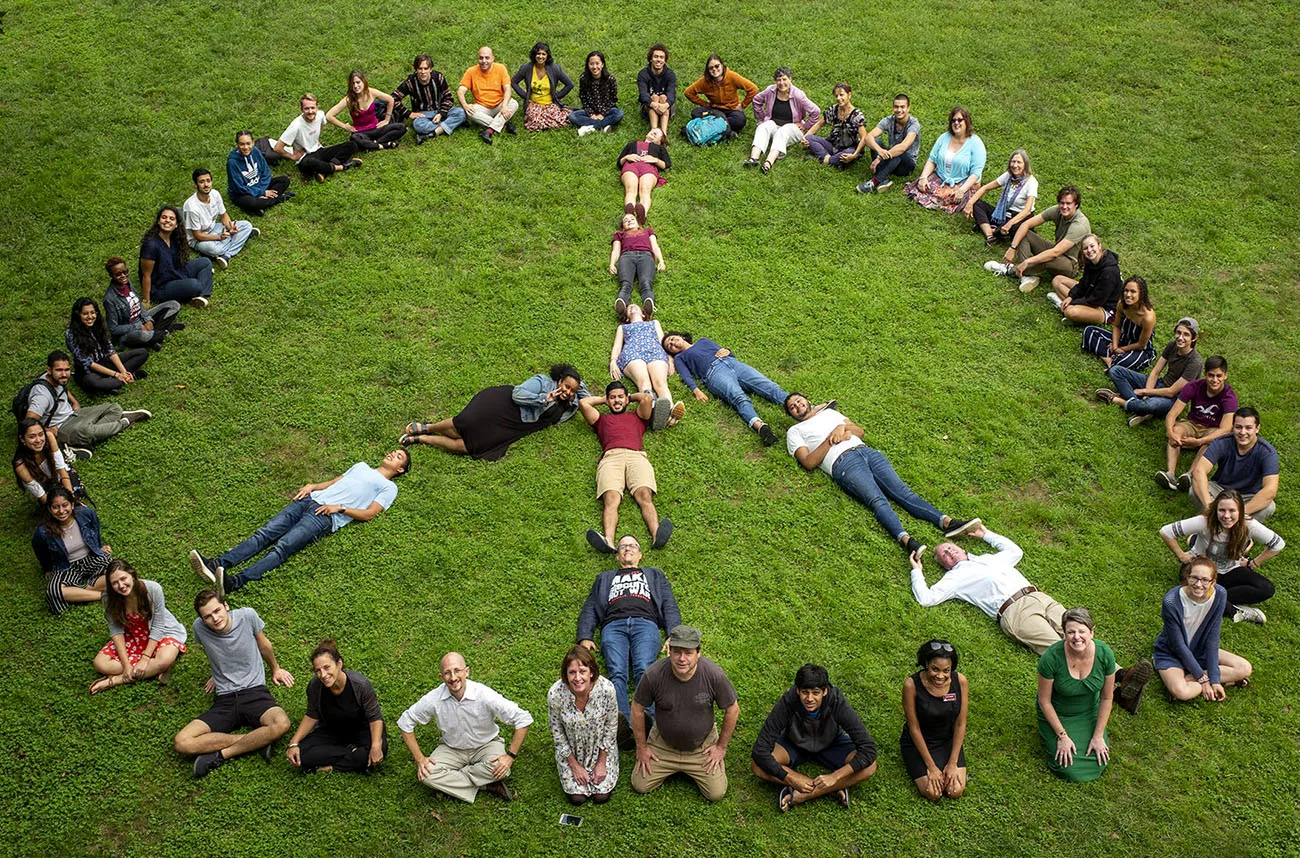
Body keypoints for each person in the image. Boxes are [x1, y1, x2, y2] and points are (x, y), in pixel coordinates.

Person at [907, 523, 1155, 714]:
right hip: (1013, 612)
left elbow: (1015, 550)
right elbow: (927, 598)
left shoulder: (990, 558)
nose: (948, 551)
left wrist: (986, 534)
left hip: (1039, 597)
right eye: (943, 555)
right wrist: (917, 572)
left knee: (1081, 634)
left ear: (962, 547)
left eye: (949, 547)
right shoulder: (954, 579)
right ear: (944, 565)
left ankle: (1122, 684)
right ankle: (1118, 682)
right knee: (1063, 648)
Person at [188, 450, 410, 593]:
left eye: (399, 456)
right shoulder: (361, 466)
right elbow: (336, 481)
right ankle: (217, 564)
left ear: (400, 470)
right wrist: (313, 486)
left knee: (281, 548)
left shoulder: (390, 488)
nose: (393, 454)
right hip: (309, 500)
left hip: (325, 516)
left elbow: (370, 513)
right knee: (264, 534)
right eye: (394, 452)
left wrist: (340, 508)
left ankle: (233, 582)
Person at [785, 394, 980, 556]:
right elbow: (808, 463)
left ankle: (947, 522)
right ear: (792, 415)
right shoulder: (795, 431)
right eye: (792, 407)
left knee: (904, 493)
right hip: (843, 462)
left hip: (867, 452)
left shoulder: (830, 413)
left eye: (798, 400)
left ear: (807, 400)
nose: (797, 405)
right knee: (877, 501)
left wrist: (841, 427)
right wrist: (830, 439)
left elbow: (859, 431)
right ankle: (907, 541)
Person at [173, 590, 294, 778]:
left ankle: (221, 754)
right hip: (225, 700)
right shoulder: (199, 628)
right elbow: (214, 651)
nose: (215, 618)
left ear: (226, 606)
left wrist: (275, 669)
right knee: (182, 741)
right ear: (202, 619)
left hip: (255, 693)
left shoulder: (247, 616)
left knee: (281, 723)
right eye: (208, 616)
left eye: (217, 611)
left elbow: (264, 646)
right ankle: (258, 740)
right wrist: (217, 672)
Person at [576, 535, 682, 740]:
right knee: (617, 673)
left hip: (645, 624)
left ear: (640, 555)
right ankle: (622, 725)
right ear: (617, 556)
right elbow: (590, 607)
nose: (627, 549)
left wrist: (673, 635)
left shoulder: (653, 575)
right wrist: (584, 637)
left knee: (645, 669)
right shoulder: (605, 578)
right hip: (613, 626)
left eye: (633, 546)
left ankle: (648, 723)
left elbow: (669, 604)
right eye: (623, 546)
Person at [398, 652, 532, 803]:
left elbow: (523, 718)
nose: (453, 677)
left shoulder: (484, 694)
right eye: (447, 673)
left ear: (466, 672)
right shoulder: (433, 699)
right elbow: (405, 722)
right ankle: (486, 785)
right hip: (452, 748)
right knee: (427, 774)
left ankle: (454, 780)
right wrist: (420, 760)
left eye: (457, 671)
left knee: (502, 768)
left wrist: (510, 756)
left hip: (486, 745)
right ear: (441, 677)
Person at [631, 625, 739, 801]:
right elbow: (637, 708)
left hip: (701, 748)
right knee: (640, 785)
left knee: (716, 793)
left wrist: (720, 747)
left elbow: (732, 709)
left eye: (688, 653)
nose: (682, 658)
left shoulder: (713, 675)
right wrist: (642, 748)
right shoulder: (654, 674)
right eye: (677, 652)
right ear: (669, 651)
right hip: (663, 746)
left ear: (699, 653)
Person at [751, 663, 877, 812]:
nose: (810, 698)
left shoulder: (836, 701)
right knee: (757, 765)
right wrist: (791, 778)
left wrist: (835, 777)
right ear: (797, 691)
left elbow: (868, 748)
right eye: (805, 692)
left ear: (825, 691)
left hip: (832, 744)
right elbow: (760, 750)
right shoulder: (788, 701)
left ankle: (802, 795)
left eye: (815, 692)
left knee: (870, 766)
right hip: (793, 744)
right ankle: (833, 789)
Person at [400, 364, 589, 461]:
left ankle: (422, 439)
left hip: (514, 427)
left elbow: (586, 399)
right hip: (503, 405)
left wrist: (579, 391)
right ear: (559, 380)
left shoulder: (568, 406)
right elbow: (517, 394)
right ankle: (428, 427)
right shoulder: (542, 382)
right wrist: (543, 398)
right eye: (566, 386)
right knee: (463, 423)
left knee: (469, 446)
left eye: (572, 390)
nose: (568, 392)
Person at [1160, 489, 1283, 625]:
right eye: (1222, 510)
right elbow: (1166, 532)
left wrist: (1253, 564)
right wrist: (1182, 556)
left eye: (1232, 511)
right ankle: (1236, 611)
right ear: (1215, 510)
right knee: (1196, 594)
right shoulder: (1204, 521)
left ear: (1240, 511)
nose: (1226, 516)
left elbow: (1278, 544)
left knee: (1266, 588)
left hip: (1230, 569)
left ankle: (1216, 599)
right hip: (1201, 570)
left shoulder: (1249, 525)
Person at [579, 382, 673, 553]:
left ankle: (656, 534)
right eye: (612, 398)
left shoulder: (638, 416)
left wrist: (631, 397)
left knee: (644, 495)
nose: (616, 401)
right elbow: (584, 403)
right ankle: (608, 541)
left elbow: (646, 398)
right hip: (611, 458)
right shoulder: (601, 420)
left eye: (620, 397)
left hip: (636, 456)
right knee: (611, 498)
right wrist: (603, 399)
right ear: (608, 401)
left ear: (627, 399)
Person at [1153, 558, 1253, 702]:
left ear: (1213, 582)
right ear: (1187, 577)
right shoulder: (1171, 601)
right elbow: (1178, 646)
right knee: (1181, 692)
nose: (1199, 584)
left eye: (1205, 580)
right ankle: (1215, 680)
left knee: (1244, 668)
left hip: (1200, 649)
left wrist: (1215, 680)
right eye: (1194, 578)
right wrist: (1203, 680)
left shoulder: (1220, 595)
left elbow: (1213, 639)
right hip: (1171, 653)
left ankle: (1195, 680)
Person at [662, 332, 786, 445]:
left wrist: (727, 351)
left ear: (681, 336)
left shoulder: (703, 340)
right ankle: (760, 427)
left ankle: (795, 403)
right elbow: (685, 375)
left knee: (768, 385)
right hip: (714, 373)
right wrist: (696, 390)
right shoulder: (680, 358)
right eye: (670, 346)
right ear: (673, 353)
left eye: (672, 339)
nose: (673, 343)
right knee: (738, 397)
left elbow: (725, 351)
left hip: (733, 363)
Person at [1036, 608, 1117, 782]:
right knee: (1067, 767)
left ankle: (1093, 737)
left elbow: (1107, 698)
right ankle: (1057, 735)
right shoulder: (1050, 658)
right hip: (1058, 713)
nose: (1076, 637)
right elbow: (1044, 701)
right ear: (1064, 634)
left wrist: (1098, 735)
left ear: (1092, 633)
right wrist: (1062, 736)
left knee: (1099, 759)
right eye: (1071, 632)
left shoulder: (1105, 654)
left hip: (1089, 711)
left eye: (1082, 631)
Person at [285, 639, 387, 774]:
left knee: (380, 748)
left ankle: (333, 766)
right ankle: (354, 758)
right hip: (333, 729)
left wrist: (375, 745)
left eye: (327, 667)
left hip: (363, 729)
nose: (323, 675)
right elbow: (312, 714)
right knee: (300, 754)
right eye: (318, 670)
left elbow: (375, 717)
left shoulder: (360, 685)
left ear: (339, 664)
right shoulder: (315, 686)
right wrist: (293, 743)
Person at [23, 350, 149, 454]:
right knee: (86, 432)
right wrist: (48, 432)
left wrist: (75, 402)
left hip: (74, 415)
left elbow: (62, 389)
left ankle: (85, 440)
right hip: (61, 428)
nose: (64, 374)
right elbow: (29, 422)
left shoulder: (55, 379)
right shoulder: (41, 396)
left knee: (114, 407)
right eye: (59, 370)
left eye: (67, 370)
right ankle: (124, 422)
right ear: (49, 370)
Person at [89, 559, 186, 693]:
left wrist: (145, 659)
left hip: (162, 633)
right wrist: (126, 665)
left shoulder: (153, 589)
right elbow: (115, 630)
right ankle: (155, 669)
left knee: (164, 659)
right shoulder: (108, 597)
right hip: (132, 634)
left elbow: (158, 626)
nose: (121, 585)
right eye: (115, 583)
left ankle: (118, 679)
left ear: (132, 575)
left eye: (123, 579)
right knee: (100, 663)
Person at [1096, 317, 1203, 428]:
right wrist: (1147, 394)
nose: (1180, 338)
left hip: (1174, 399)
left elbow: (1172, 392)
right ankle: (1140, 408)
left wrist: (1143, 392)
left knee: (1150, 405)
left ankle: (1117, 400)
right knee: (1115, 370)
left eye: (1186, 335)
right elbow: (1155, 372)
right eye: (1178, 333)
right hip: (1160, 384)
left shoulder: (1195, 362)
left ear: (1194, 338)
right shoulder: (1172, 345)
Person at [984, 185, 1090, 293]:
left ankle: (1010, 269)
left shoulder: (1079, 225)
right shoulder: (1057, 211)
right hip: (1058, 251)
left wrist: (1028, 261)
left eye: (1068, 203)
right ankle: (1026, 275)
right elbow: (1026, 224)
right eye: (1062, 203)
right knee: (1023, 232)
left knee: (1047, 258)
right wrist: (1012, 247)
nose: (1064, 206)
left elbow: (1055, 253)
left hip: (1071, 265)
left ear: (1076, 205)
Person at [548, 646, 619, 804]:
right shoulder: (556, 694)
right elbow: (557, 731)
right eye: (572, 672)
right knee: (577, 798)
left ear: (591, 672)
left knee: (601, 796)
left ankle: (603, 764)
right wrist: (574, 765)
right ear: (566, 675)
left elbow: (611, 726)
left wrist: (601, 762)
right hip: (572, 752)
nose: (577, 678)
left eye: (582, 671)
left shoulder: (607, 690)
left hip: (600, 749)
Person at [1154, 356, 1236, 491]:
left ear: (1225, 376)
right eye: (1211, 375)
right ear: (1205, 374)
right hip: (1192, 423)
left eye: (1219, 376)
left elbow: (1226, 429)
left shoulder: (1229, 397)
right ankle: (1170, 474)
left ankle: (1190, 476)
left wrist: (1199, 442)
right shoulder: (1193, 386)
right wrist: (1170, 432)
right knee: (1176, 431)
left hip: (1212, 429)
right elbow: (1172, 414)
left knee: (1213, 441)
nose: (1215, 380)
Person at [900, 641, 967, 801]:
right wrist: (931, 767)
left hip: (946, 740)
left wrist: (952, 763)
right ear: (926, 664)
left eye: (946, 671)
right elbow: (914, 728)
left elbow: (960, 723)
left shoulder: (961, 682)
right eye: (935, 669)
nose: (940, 676)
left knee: (954, 791)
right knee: (933, 793)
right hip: (918, 741)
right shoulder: (911, 685)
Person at [1190, 407, 1279, 522]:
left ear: (1257, 428)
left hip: (1248, 496)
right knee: (1194, 490)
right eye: (1238, 427)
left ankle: (1232, 527)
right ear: (1233, 427)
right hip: (1221, 490)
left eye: (1248, 428)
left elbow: (1270, 489)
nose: (1243, 432)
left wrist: (1240, 513)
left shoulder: (1267, 452)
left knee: (1269, 507)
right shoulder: (1221, 442)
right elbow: (1199, 471)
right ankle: (1216, 518)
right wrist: (1210, 506)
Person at [30, 487, 109, 615]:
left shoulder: (85, 514)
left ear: (72, 504)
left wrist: (98, 547)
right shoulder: (42, 532)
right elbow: (40, 551)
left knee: (119, 571)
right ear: (50, 509)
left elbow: (95, 529)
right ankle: (101, 595)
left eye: (65, 505)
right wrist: (47, 569)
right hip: (66, 565)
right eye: (55, 507)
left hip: (91, 557)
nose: (61, 511)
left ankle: (77, 592)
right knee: (54, 592)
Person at [609, 303, 682, 426]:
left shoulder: (654, 323)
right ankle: (652, 410)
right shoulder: (623, 328)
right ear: (626, 318)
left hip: (655, 351)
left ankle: (669, 412)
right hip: (632, 353)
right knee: (644, 383)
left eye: (635, 307)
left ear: (643, 314)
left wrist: (670, 358)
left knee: (660, 383)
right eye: (629, 308)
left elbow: (662, 341)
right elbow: (617, 346)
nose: (632, 307)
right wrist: (613, 360)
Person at [904, 106, 986, 213]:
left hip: (964, 181)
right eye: (953, 120)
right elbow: (932, 160)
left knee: (954, 197)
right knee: (921, 185)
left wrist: (962, 190)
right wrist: (923, 177)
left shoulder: (976, 143)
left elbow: (976, 173)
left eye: (960, 120)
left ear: (967, 122)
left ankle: (935, 200)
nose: (956, 123)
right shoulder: (944, 137)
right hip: (941, 177)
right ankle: (934, 198)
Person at [64, 297, 149, 395]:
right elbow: (89, 363)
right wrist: (117, 374)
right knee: (93, 382)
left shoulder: (98, 325)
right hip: (89, 372)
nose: (90, 316)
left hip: (105, 362)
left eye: (92, 312)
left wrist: (123, 372)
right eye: (85, 314)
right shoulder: (71, 334)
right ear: (78, 315)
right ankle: (121, 380)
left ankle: (117, 381)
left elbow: (110, 351)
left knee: (142, 353)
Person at [743, 67, 820, 174]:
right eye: (778, 80)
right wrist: (762, 118)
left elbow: (816, 111)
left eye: (784, 79)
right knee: (763, 127)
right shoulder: (770, 90)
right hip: (774, 123)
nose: (781, 83)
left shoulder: (798, 95)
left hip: (793, 127)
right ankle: (753, 159)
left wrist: (806, 126)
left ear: (790, 79)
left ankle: (768, 163)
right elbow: (756, 100)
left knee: (782, 132)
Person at [273, 93, 363, 182]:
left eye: (313, 108)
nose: (310, 111)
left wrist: (317, 139)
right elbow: (278, 148)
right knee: (310, 162)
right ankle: (342, 167)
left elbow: (321, 125)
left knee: (352, 145)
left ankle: (324, 171)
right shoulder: (295, 126)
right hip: (305, 158)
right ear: (301, 109)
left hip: (319, 150)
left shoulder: (320, 115)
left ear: (317, 107)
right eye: (306, 108)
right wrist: (292, 157)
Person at [139, 205, 214, 307]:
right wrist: (146, 300)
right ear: (158, 221)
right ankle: (199, 288)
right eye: (164, 217)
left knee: (205, 262)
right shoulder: (151, 245)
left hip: (176, 272)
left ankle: (201, 297)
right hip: (161, 286)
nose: (167, 221)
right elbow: (146, 275)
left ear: (176, 225)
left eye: (172, 219)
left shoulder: (174, 238)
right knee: (195, 285)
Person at [183, 168, 258, 269]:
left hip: (215, 228)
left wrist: (230, 227)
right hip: (199, 239)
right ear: (195, 185)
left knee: (246, 225)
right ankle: (237, 243)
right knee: (215, 250)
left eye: (208, 181)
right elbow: (198, 235)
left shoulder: (215, 194)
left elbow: (223, 215)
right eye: (201, 182)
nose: (206, 185)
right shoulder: (191, 207)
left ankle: (227, 253)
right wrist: (219, 237)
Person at [102, 256, 182, 351]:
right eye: (118, 274)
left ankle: (154, 337)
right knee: (142, 335)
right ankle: (165, 331)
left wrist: (147, 320)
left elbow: (138, 304)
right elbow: (113, 328)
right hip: (130, 332)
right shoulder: (109, 299)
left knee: (174, 305)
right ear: (111, 275)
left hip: (140, 319)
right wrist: (138, 326)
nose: (123, 276)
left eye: (125, 272)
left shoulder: (128, 284)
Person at [961, 149, 1038, 246]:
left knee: (1016, 227)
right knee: (978, 204)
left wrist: (1009, 224)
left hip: (1019, 217)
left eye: (1019, 162)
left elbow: (1027, 210)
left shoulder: (1031, 182)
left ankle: (988, 227)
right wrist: (970, 203)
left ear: (1025, 165)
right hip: (1004, 213)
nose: (1015, 165)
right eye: (1013, 161)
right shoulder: (1008, 176)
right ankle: (991, 235)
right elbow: (985, 188)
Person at [1080, 275, 1156, 371]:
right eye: (1126, 290)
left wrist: (1123, 349)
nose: (1128, 295)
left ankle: (1109, 356)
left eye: (1133, 292)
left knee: (1125, 362)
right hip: (1123, 339)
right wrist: (1115, 347)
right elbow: (1117, 326)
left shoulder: (1148, 317)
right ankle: (1108, 360)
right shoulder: (1122, 304)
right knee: (1089, 331)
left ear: (1141, 294)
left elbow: (1141, 344)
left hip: (1138, 349)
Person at [391, 54, 466, 144]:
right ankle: (452, 124)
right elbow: (393, 98)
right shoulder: (410, 82)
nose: (423, 72)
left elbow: (448, 98)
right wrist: (409, 113)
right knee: (418, 125)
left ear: (430, 69)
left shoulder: (438, 77)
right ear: (416, 69)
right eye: (420, 68)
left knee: (461, 112)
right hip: (423, 114)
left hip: (440, 110)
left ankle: (433, 133)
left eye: (426, 68)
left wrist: (441, 114)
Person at [1047, 234, 1121, 323]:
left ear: (1099, 246)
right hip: (1090, 292)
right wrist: (1071, 296)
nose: (1089, 250)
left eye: (1092, 246)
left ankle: (1064, 306)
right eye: (1085, 248)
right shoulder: (1090, 262)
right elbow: (1083, 283)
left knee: (1071, 312)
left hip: (1104, 308)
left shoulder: (1109, 271)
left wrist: (1073, 301)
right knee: (1057, 280)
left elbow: (1097, 300)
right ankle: (1067, 306)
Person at [326, 70, 406, 151]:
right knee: (354, 138)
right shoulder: (349, 99)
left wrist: (387, 119)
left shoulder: (371, 92)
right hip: (361, 132)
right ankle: (383, 144)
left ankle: (373, 144)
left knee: (401, 127)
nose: (355, 86)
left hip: (376, 127)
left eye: (358, 82)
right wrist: (344, 126)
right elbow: (329, 116)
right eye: (353, 83)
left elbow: (390, 99)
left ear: (363, 81)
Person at [857, 93, 921, 193]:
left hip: (905, 165)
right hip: (890, 159)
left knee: (899, 150)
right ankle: (884, 179)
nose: (899, 110)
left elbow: (903, 147)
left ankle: (875, 181)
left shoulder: (913, 124)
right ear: (893, 108)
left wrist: (879, 157)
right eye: (896, 107)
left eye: (902, 107)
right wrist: (879, 150)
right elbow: (868, 137)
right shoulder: (888, 120)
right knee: (876, 141)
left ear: (908, 108)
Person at [459, 47, 519, 144]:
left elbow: (507, 89)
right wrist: (465, 105)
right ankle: (503, 126)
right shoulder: (471, 71)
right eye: (481, 58)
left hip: (499, 105)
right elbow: (461, 91)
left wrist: (504, 106)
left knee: (514, 104)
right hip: (482, 107)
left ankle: (489, 131)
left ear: (492, 58)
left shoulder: (501, 68)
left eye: (487, 58)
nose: (484, 61)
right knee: (469, 112)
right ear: (478, 59)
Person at [683, 54, 756, 134]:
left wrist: (742, 105)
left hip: (731, 110)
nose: (714, 69)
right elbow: (688, 92)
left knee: (739, 120)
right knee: (695, 112)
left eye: (717, 66)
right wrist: (704, 104)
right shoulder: (705, 81)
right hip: (714, 110)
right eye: (711, 68)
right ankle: (726, 129)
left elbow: (753, 89)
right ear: (708, 70)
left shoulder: (732, 76)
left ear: (722, 65)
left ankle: (710, 127)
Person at [227, 130, 294, 215]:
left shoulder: (255, 151)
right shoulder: (232, 162)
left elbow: (266, 172)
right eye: (242, 144)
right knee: (251, 202)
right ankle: (278, 199)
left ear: (253, 143)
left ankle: (260, 205)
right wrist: (262, 193)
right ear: (237, 144)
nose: (246, 147)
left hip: (259, 185)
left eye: (248, 143)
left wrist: (262, 190)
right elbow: (239, 188)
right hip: (243, 193)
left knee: (284, 180)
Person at [609, 214, 666, 315]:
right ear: (623, 226)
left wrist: (661, 260)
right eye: (626, 220)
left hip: (646, 256)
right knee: (626, 284)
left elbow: (655, 246)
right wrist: (612, 263)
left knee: (646, 283)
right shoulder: (619, 234)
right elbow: (616, 250)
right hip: (627, 256)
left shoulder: (647, 231)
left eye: (632, 219)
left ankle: (649, 304)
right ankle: (621, 304)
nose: (629, 221)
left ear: (638, 223)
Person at [511, 41, 574, 131]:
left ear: (547, 56)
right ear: (534, 55)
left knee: (565, 119)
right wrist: (525, 96)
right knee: (535, 119)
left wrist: (557, 96)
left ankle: (544, 122)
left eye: (543, 54)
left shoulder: (554, 68)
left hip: (549, 104)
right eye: (538, 54)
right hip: (534, 104)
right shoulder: (527, 68)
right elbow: (513, 82)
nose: (540, 56)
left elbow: (569, 84)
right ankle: (545, 122)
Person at [12, 418, 77, 506]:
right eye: (32, 437)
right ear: (22, 439)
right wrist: (58, 507)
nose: (38, 440)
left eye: (41, 434)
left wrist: (70, 499)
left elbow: (62, 472)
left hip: (59, 475)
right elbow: (41, 495)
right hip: (45, 487)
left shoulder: (49, 437)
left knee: (75, 492)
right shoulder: (20, 465)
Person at [801, 83, 866, 168]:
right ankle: (831, 160)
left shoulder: (857, 115)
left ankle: (823, 158)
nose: (838, 98)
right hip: (833, 145)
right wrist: (805, 137)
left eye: (841, 95)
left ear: (849, 95)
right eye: (836, 96)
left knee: (847, 154)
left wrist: (854, 155)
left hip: (850, 148)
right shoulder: (834, 109)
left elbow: (864, 138)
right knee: (809, 138)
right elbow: (819, 124)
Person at [617, 129, 671, 224]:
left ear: (660, 141)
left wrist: (655, 160)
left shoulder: (660, 148)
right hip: (631, 165)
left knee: (645, 189)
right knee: (630, 188)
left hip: (649, 168)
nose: (654, 132)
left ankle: (642, 216)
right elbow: (619, 162)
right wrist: (626, 157)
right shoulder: (632, 144)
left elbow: (667, 165)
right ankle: (630, 215)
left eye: (658, 133)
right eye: (653, 130)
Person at [570, 50, 623, 136]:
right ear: (588, 65)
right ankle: (603, 126)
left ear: (602, 64)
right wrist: (591, 114)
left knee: (619, 113)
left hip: (607, 110)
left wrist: (602, 113)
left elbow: (613, 99)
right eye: (591, 64)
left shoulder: (610, 79)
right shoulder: (584, 79)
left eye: (597, 63)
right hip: (590, 111)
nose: (595, 67)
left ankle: (590, 127)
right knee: (573, 116)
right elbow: (583, 97)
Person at [637, 44, 677, 136]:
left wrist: (665, 105)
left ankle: (663, 134)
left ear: (665, 60)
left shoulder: (670, 75)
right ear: (651, 59)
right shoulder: (643, 74)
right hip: (649, 107)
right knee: (654, 97)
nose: (659, 60)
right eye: (656, 57)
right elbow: (643, 95)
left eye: (661, 57)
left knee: (663, 97)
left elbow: (671, 94)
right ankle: (654, 130)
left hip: (666, 107)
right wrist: (653, 104)